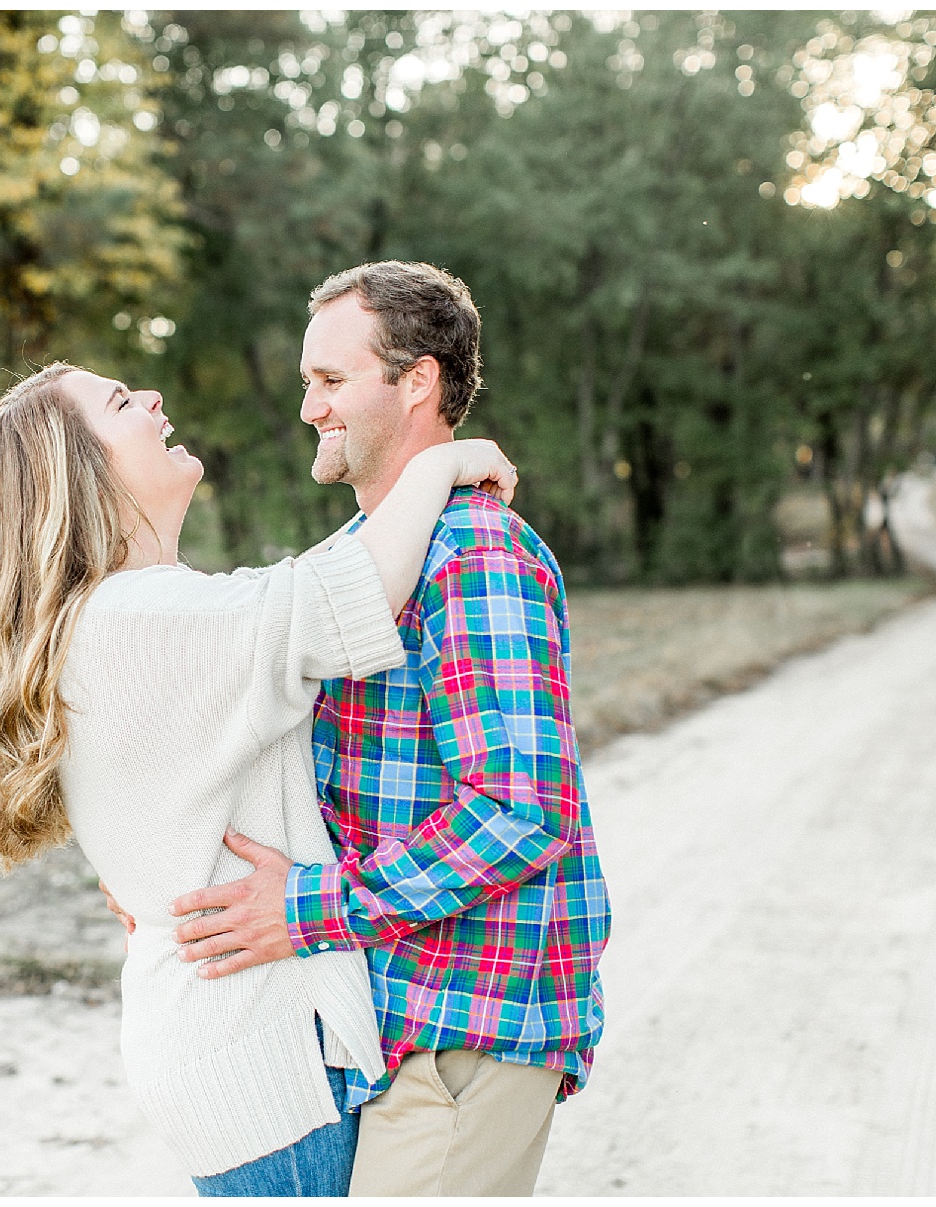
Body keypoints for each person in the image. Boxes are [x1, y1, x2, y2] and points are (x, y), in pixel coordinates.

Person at [0, 359, 519, 1196]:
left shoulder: (136, 609)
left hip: (225, 1039)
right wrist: (437, 464)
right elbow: (340, 599)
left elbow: (294, 595)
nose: (153, 398)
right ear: (82, 470)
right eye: (119, 402)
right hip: (259, 1050)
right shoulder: (141, 621)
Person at [163, 261, 612, 1196]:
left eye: (330, 381)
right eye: (306, 383)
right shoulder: (357, 562)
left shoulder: (476, 553)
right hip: (391, 1014)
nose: (308, 408)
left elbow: (520, 808)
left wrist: (305, 906)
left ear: (419, 382)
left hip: (470, 1019)